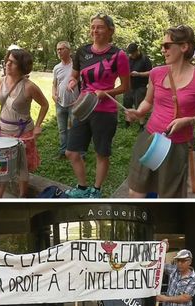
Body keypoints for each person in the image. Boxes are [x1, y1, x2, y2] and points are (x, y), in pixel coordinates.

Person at [125, 26, 195, 198]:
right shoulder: (156, 73)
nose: (162, 49)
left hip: (178, 146)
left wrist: (189, 121)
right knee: (136, 191)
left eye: (167, 45)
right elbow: (147, 101)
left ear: (184, 47)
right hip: (151, 140)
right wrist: (138, 112)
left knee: (168, 197)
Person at [64, 14, 130, 198]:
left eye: (99, 27)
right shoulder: (82, 52)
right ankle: (82, 188)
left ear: (110, 30)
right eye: (92, 27)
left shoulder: (119, 55)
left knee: (102, 153)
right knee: (71, 151)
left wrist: (107, 93)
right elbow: (74, 75)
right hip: (83, 108)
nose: (95, 30)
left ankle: (97, 190)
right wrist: (71, 82)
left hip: (105, 111)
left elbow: (125, 86)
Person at [0, 48, 49, 198]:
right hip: (3, 131)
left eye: (12, 62)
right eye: (7, 61)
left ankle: (22, 196)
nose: (7, 64)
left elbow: (45, 104)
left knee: (23, 167)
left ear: (22, 66)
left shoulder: (29, 86)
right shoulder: (0, 82)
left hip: (23, 134)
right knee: (0, 168)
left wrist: (38, 126)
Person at [52, 41, 79, 158]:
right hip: (60, 103)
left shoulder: (76, 66)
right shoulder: (56, 68)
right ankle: (63, 151)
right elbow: (54, 84)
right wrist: (53, 94)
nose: (59, 51)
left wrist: (80, 99)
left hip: (74, 102)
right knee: (62, 129)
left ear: (69, 50)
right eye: (58, 49)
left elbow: (83, 82)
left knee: (75, 129)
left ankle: (78, 152)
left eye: (62, 49)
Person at [123, 43, 152, 128]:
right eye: (130, 53)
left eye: (132, 53)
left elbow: (150, 73)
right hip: (129, 86)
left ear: (137, 51)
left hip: (141, 86)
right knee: (127, 104)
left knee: (139, 105)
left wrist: (138, 74)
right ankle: (127, 123)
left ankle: (141, 125)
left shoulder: (145, 59)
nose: (131, 55)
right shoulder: (128, 59)